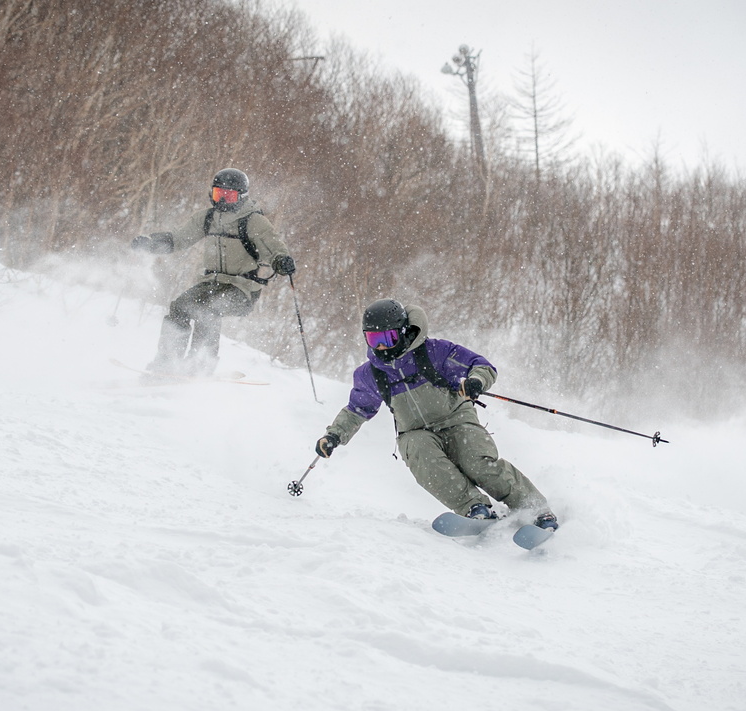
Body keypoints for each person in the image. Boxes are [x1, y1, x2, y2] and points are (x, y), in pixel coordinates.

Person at [314, 298, 558, 531]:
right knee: (426, 462)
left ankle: (536, 509)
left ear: (402, 332)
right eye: (373, 338)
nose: (380, 347)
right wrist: (334, 435)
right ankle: (475, 508)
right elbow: (357, 409)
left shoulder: (434, 352)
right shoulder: (372, 374)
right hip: (415, 431)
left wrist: (475, 381)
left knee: (477, 462)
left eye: (387, 338)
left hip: (456, 419)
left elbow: (482, 366)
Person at [131, 168, 295, 376]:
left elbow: (273, 247)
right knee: (179, 307)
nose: (223, 202)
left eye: (229, 196)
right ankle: (167, 363)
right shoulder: (208, 218)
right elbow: (180, 238)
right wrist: (151, 244)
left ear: (241, 196)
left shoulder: (253, 221)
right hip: (211, 284)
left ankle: (199, 365)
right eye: (219, 195)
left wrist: (282, 261)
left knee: (208, 310)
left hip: (242, 289)